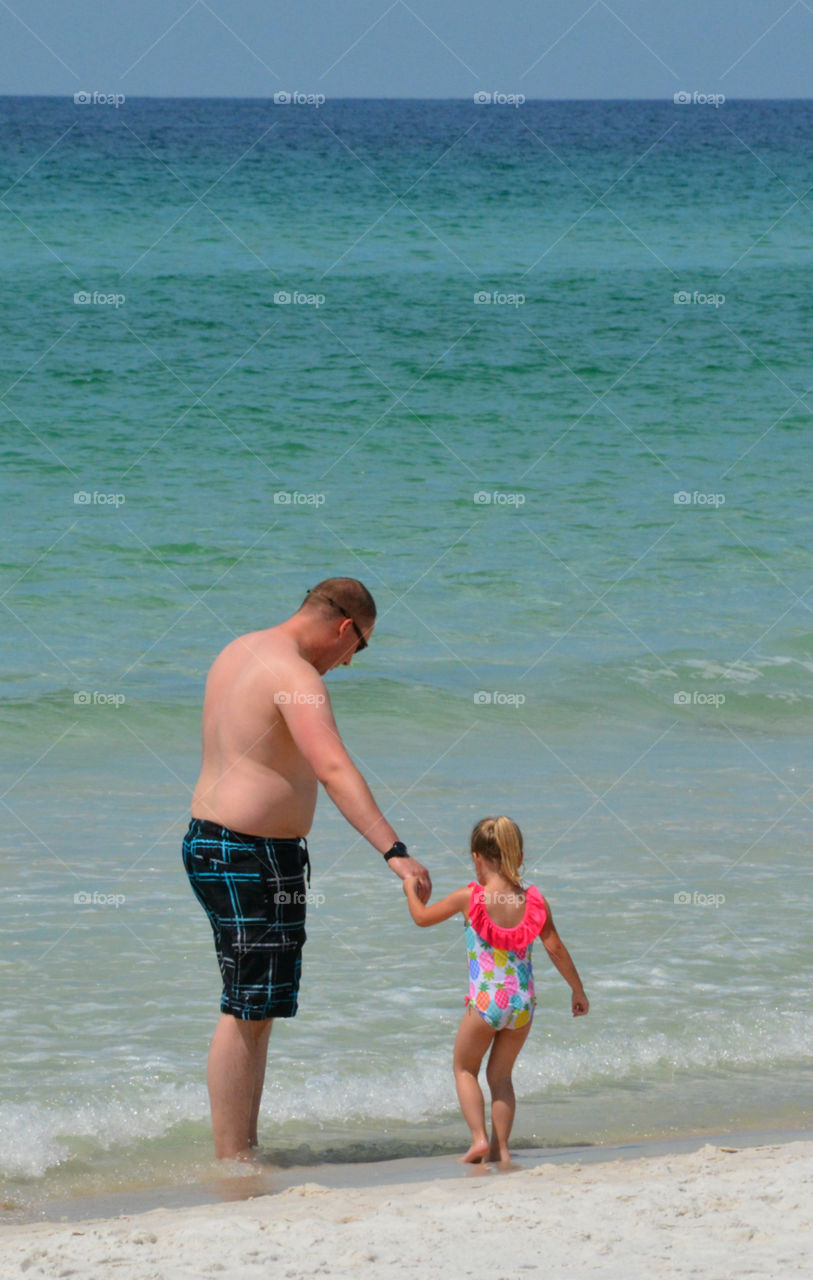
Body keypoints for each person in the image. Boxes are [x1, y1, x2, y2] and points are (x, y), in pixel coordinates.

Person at [183, 577, 431, 1160]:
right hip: (249, 852)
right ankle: (233, 1157)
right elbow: (334, 769)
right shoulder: (295, 676)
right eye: (358, 648)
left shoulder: (239, 648)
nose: (348, 663)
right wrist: (395, 852)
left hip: (216, 843)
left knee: (257, 1005)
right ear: (345, 628)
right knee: (247, 1006)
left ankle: (243, 1147)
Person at [403, 815, 588, 1166]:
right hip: (522, 1004)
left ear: (476, 857)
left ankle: (478, 1140)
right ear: (517, 855)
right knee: (500, 1076)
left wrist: (409, 890)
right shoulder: (534, 900)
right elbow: (556, 948)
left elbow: (422, 918)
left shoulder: (469, 898)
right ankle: (502, 1149)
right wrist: (577, 991)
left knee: (464, 1069)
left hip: (486, 1002)